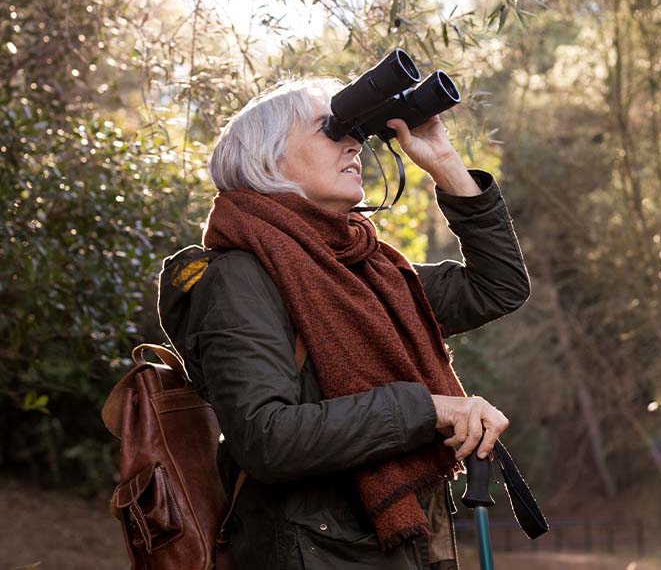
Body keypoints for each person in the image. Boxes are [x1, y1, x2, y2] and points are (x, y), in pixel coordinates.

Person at [155, 77, 530, 569]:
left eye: (353, 129)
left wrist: (443, 161)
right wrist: (429, 410)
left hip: (400, 547)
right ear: (269, 161)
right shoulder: (239, 278)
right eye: (329, 129)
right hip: (314, 554)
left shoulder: (366, 269)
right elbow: (268, 438)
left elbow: (498, 286)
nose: (354, 142)